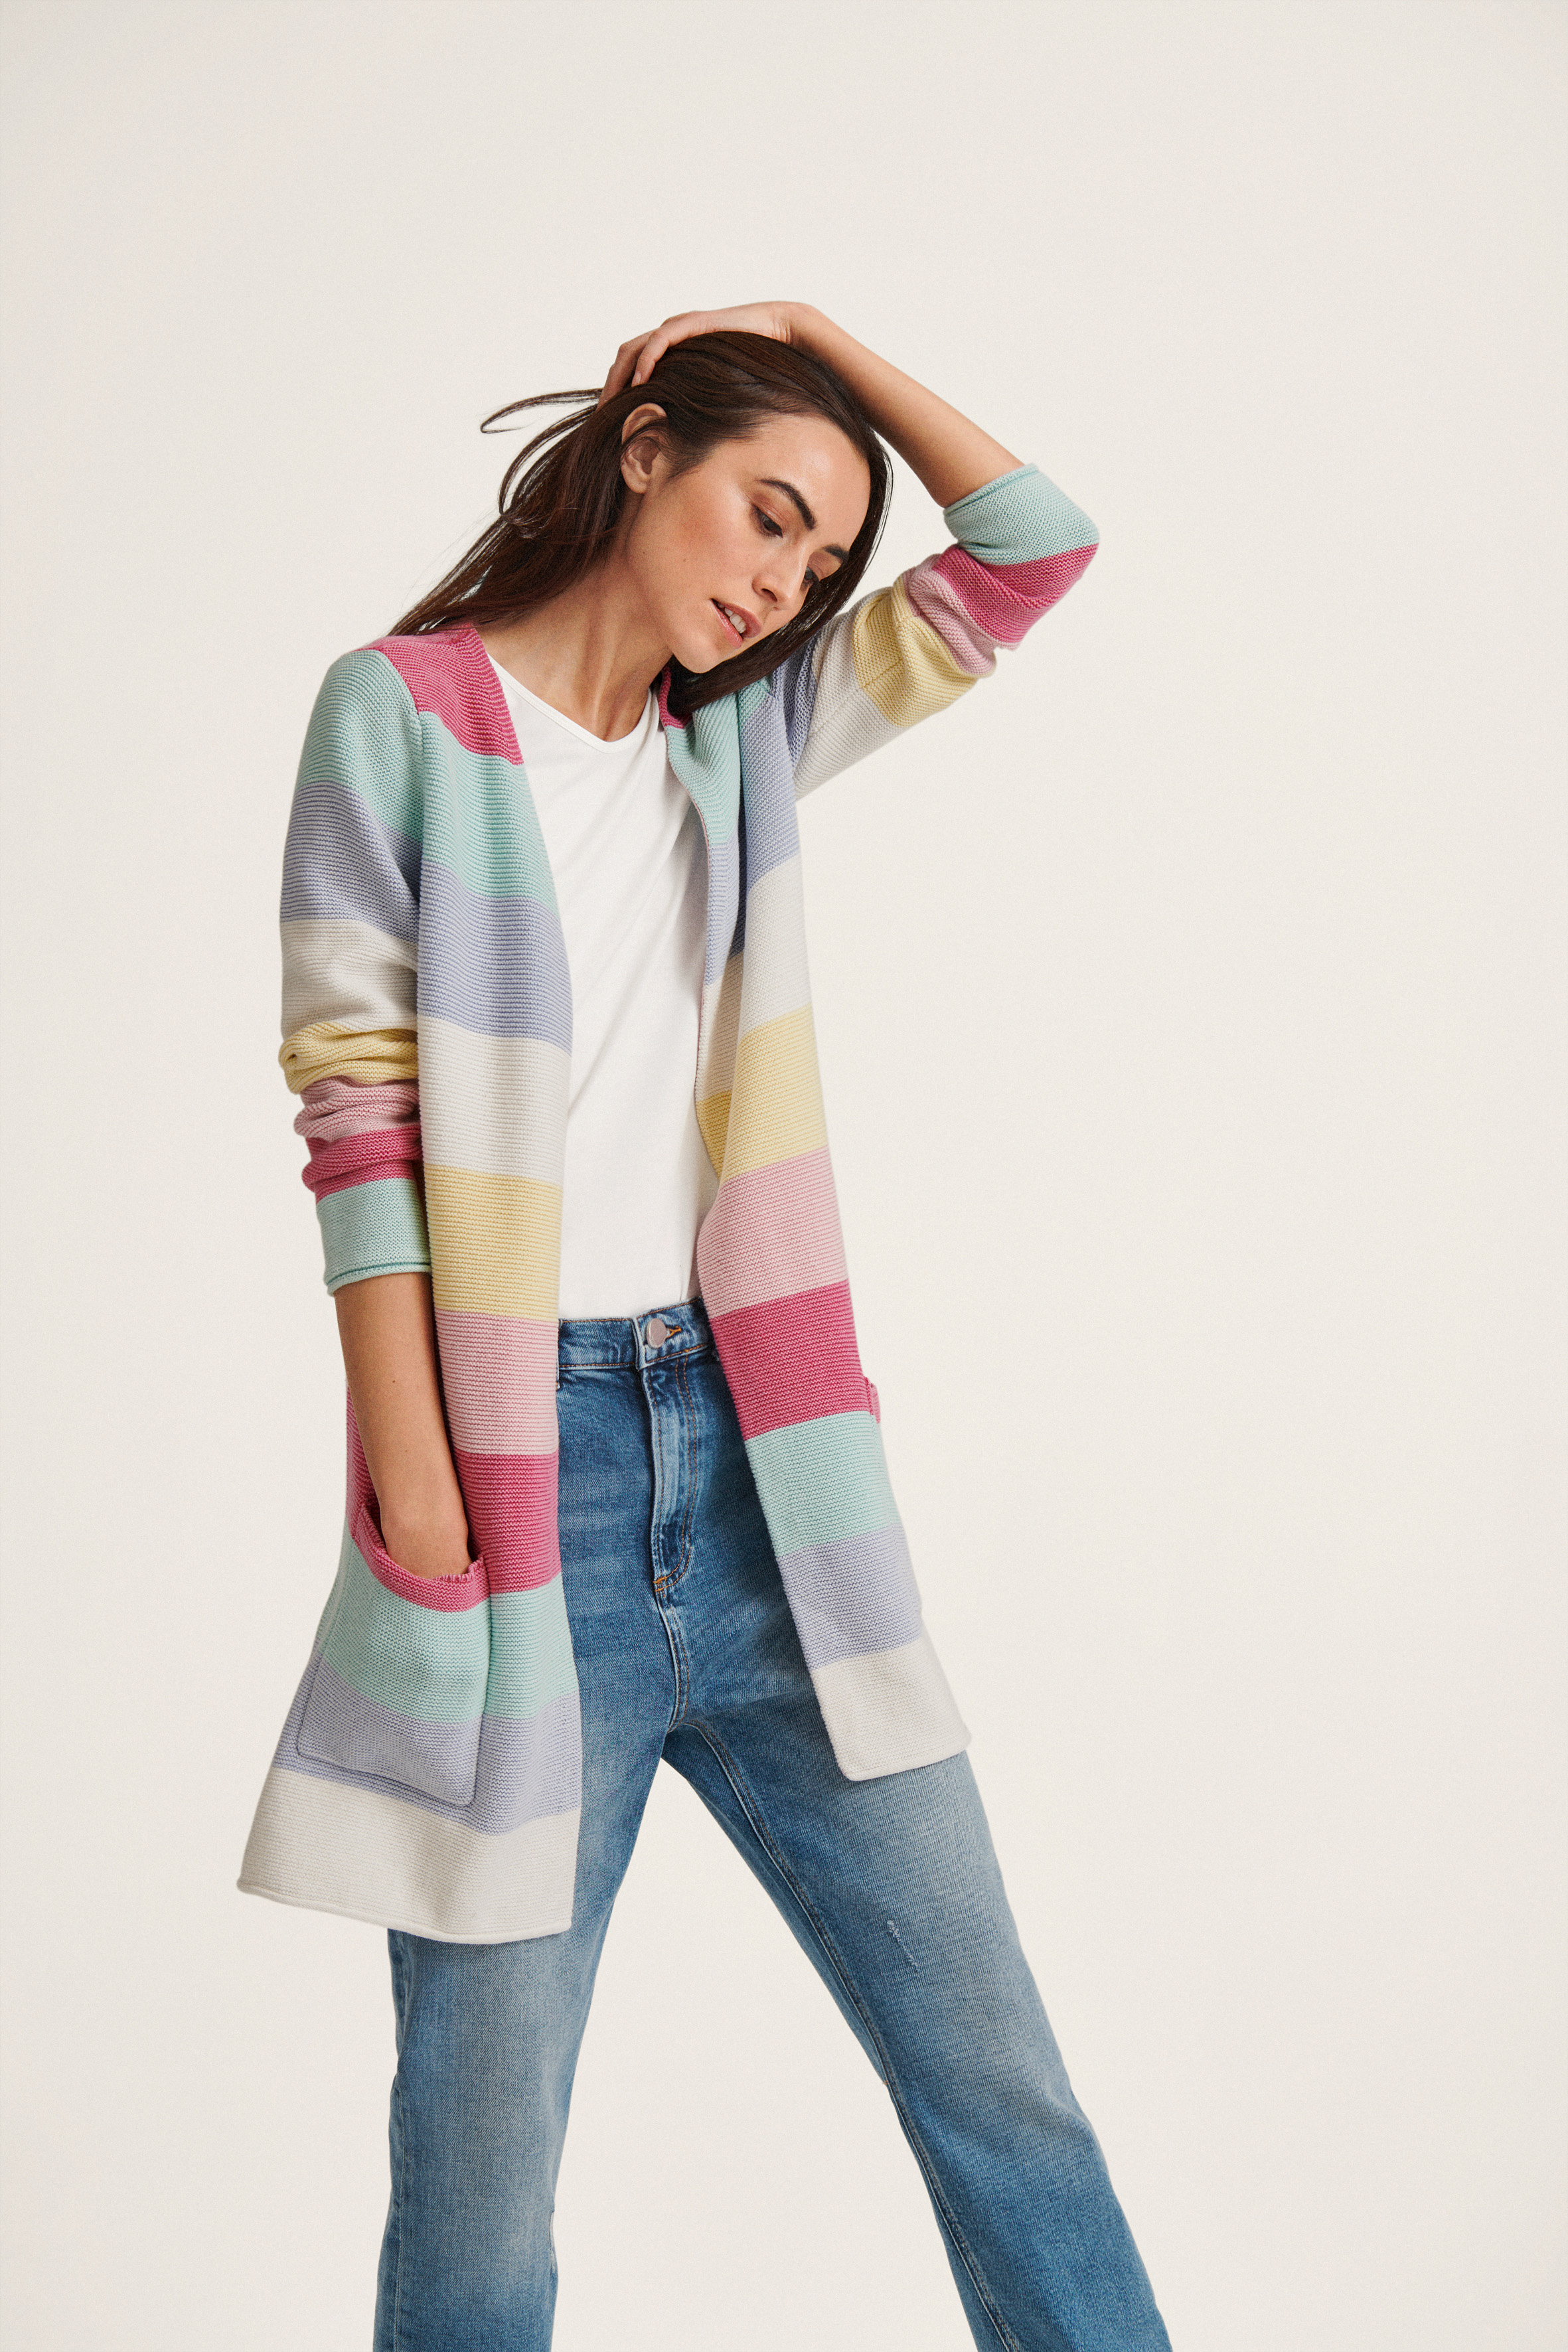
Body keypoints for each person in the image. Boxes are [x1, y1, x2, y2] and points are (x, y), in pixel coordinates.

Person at [238, 302, 1174, 2351]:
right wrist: (416, 1484)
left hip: (769, 1484)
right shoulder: (400, 710)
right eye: (768, 514)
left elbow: (1032, 543)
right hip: (526, 1487)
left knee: (1002, 2094)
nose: (786, 584)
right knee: (480, 2189)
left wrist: (817, 337)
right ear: (643, 443)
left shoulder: (744, 736)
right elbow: (354, 1109)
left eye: (823, 562)